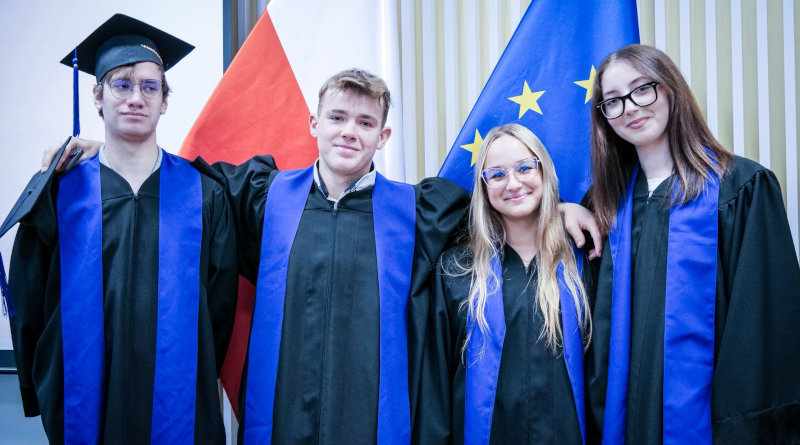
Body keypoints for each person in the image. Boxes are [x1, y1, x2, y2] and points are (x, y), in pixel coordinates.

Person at [42, 68, 603, 444]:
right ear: (314, 123)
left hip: (371, 421)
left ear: (383, 136)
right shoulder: (261, 197)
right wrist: (108, 149)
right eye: (337, 117)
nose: (349, 132)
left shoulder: (418, 212)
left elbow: (501, 203)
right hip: (282, 416)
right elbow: (182, 185)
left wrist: (560, 207)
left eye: (365, 122)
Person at [3, 14, 238, 444]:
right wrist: (45, 388)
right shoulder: (58, 194)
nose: (136, 98)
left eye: (150, 87)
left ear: (164, 100)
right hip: (84, 401)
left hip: (180, 403)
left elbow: (220, 310)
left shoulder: (203, 194)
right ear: (97, 96)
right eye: (121, 85)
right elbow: (30, 304)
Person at [585, 44, 800, 444]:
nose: (630, 107)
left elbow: (762, 329)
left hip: (711, 423)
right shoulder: (603, 206)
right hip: (625, 422)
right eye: (612, 101)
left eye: (642, 88)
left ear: (670, 88)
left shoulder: (742, 188)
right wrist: (561, 212)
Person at [430, 123, 592, 444]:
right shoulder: (457, 271)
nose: (513, 183)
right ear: (484, 187)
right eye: (497, 174)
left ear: (544, 171)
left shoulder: (584, 262)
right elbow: (436, 383)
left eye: (524, 168)